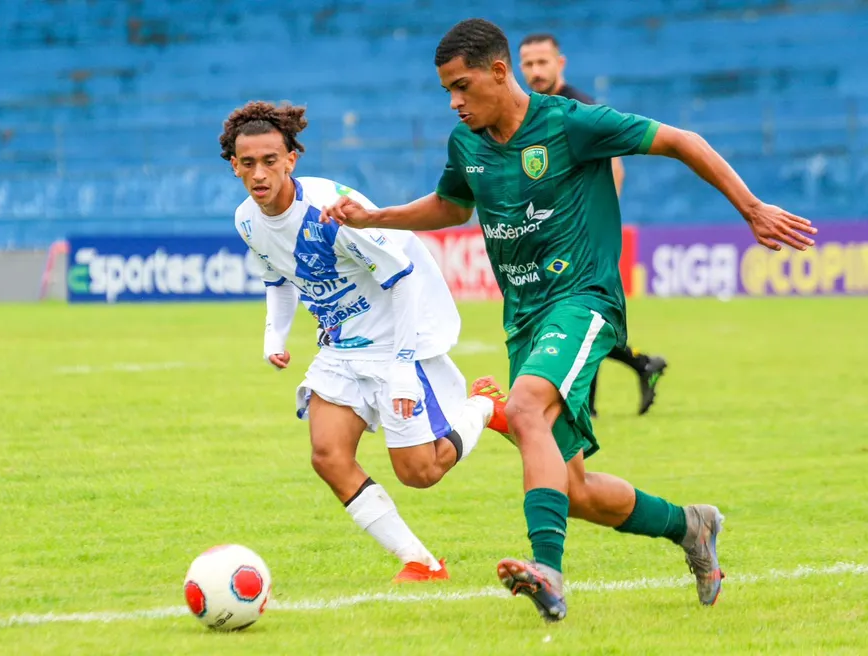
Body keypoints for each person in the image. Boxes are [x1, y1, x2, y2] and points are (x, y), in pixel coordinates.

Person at [322, 18, 816, 621]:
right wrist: (379, 218)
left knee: (525, 407)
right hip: (524, 318)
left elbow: (682, 139)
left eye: (462, 86)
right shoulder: (467, 145)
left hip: (583, 300)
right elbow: (452, 204)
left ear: (499, 72)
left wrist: (752, 208)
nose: (453, 102)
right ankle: (692, 527)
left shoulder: (569, 123)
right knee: (571, 488)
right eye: (445, 90)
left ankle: (548, 573)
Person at [220, 100, 505, 584]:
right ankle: (422, 563)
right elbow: (278, 278)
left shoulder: (332, 213)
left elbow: (404, 279)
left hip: (399, 336)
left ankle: (483, 407)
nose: (259, 173)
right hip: (341, 346)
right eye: (248, 163)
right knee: (328, 455)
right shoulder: (247, 220)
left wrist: (401, 365)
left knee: (420, 472)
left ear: (292, 159)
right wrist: (275, 336)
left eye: (270, 160)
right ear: (234, 166)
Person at [519, 31, 667, 417]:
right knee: (568, 319)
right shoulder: (528, 111)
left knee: (578, 316)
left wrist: (593, 228)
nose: (535, 71)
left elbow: (615, 167)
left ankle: (587, 408)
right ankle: (640, 365)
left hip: (582, 241)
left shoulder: (579, 106)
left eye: (542, 62)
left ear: (560, 63)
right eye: (529, 64)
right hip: (550, 239)